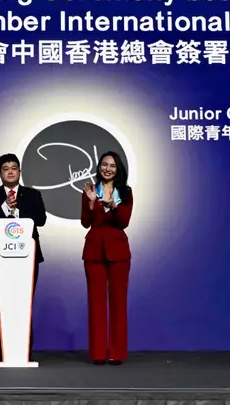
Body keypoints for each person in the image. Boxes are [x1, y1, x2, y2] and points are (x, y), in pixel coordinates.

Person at [0, 153, 47, 362]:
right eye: (5, 169)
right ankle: (3, 352)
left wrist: (18, 209)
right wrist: (5, 207)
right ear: (0, 173)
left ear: (19, 171)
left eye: (13, 168)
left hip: (27, 257)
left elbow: (41, 219)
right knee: (1, 304)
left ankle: (24, 351)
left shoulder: (32, 195)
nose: (10, 172)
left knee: (24, 304)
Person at [80, 151, 133, 365]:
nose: (107, 169)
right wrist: (92, 204)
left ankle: (116, 353)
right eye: (104, 164)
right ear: (99, 167)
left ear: (118, 169)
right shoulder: (90, 190)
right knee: (96, 304)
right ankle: (98, 353)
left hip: (118, 251)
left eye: (112, 165)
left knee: (118, 303)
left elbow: (124, 221)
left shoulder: (125, 192)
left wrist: (113, 205)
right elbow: (85, 222)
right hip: (94, 251)